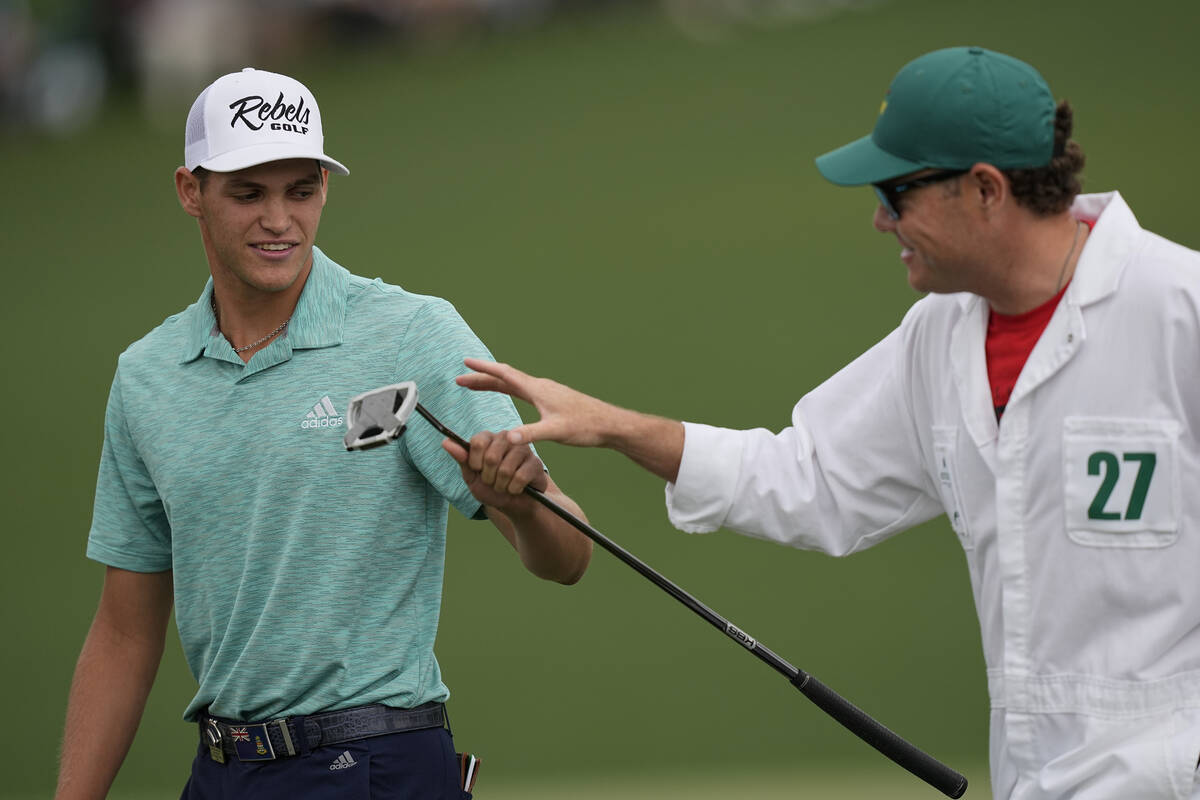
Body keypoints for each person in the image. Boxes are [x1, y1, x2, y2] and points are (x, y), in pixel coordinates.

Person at [452, 47, 1200, 799]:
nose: (880, 219)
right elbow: (803, 477)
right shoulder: (935, 339)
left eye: (896, 191)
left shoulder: (1180, 310)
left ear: (984, 189)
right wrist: (616, 427)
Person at [55, 67, 592, 800]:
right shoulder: (147, 378)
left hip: (374, 762)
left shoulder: (410, 332)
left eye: (301, 191)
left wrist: (525, 502)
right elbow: (123, 630)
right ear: (191, 191)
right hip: (221, 772)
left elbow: (569, 555)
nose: (280, 219)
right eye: (249, 193)